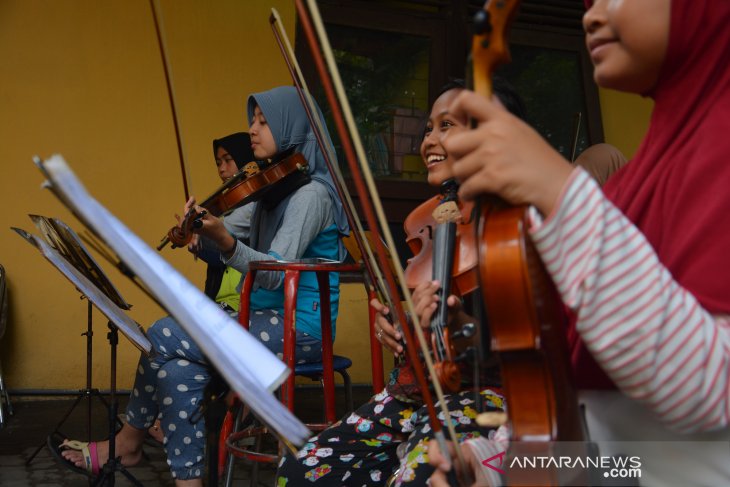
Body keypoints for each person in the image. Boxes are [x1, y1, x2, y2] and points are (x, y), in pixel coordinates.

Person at [429, 0, 730, 485]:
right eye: (588, 1)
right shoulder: (642, 174)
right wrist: (491, 464)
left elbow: (706, 390)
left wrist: (559, 189)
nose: (590, 15)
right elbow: (608, 451)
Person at [54, 86, 349, 486]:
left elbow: (272, 273)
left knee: (162, 332)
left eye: (264, 121)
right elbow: (227, 228)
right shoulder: (269, 189)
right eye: (252, 120)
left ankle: (127, 442)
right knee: (176, 372)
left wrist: (224, 242)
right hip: (260, 319)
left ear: (291, 127)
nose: (252, 130)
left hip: (302, 330)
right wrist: (198, 227)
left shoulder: (310, 195)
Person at [276, 78, 525, 486]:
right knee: (300, 475)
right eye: (429, 128)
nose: (429, 139)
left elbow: (536, 349)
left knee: (418, 478)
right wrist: (397, 325)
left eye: (447, 125)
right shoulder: (432, 218)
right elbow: (423, 320)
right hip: (414, 395)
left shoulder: (520, 226)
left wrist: (465, 330)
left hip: (488, 400)